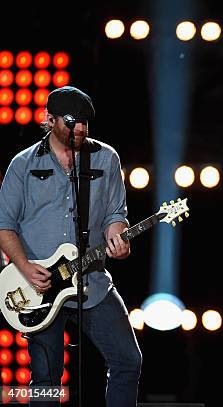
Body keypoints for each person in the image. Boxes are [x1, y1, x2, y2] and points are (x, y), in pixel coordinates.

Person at [0, 86, 142, 406]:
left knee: (128, 360)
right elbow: (4, 225)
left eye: (86, 124)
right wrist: (24, 266)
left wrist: (118, 237)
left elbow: (115, 214)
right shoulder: (22, 165)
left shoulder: (105, 157)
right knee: (46, 380)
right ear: (49, 120)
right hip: (39, 287)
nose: (80, 129)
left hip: (90, 279)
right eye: (72, 121)